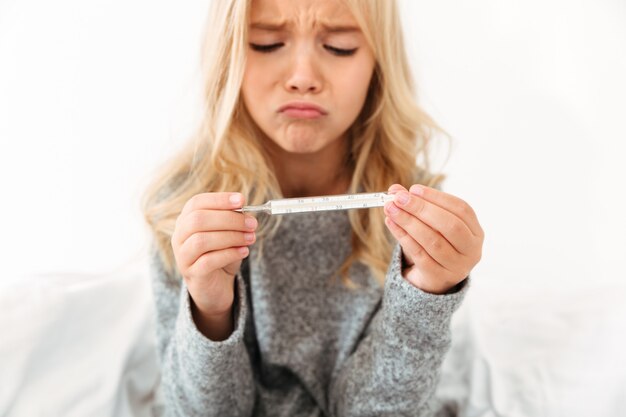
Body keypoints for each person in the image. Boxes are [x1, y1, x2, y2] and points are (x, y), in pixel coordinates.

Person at [142, 0, 484, 415]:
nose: (303, 78)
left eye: (339, 47)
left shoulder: (412, 214)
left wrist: (426, 293)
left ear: (379, 63)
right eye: (266, 43)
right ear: (228, 52)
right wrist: (210, 308)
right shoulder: (185, 208)